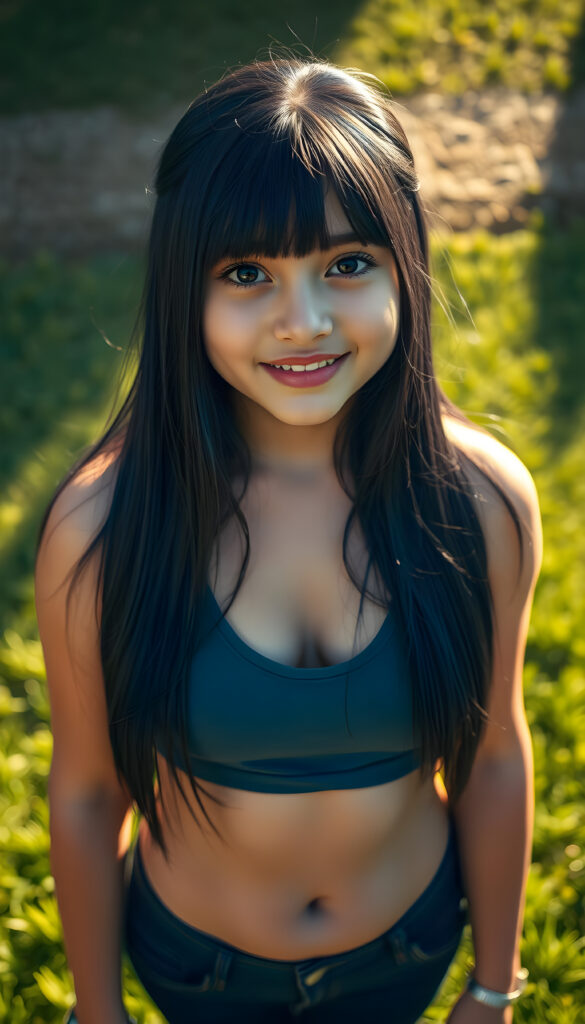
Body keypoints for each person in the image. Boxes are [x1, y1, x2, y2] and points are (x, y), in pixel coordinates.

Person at [34, 53, 541, 1024]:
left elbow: (494, 757)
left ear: (407, 262)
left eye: (347, 264)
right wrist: (97, 1012)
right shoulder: (104, 525)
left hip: (408, 947)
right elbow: (90, 792)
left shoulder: (480, 503)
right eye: (247, 273)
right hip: (198, 968)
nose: (301, 322)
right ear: (184, 287)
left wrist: (492, 982)